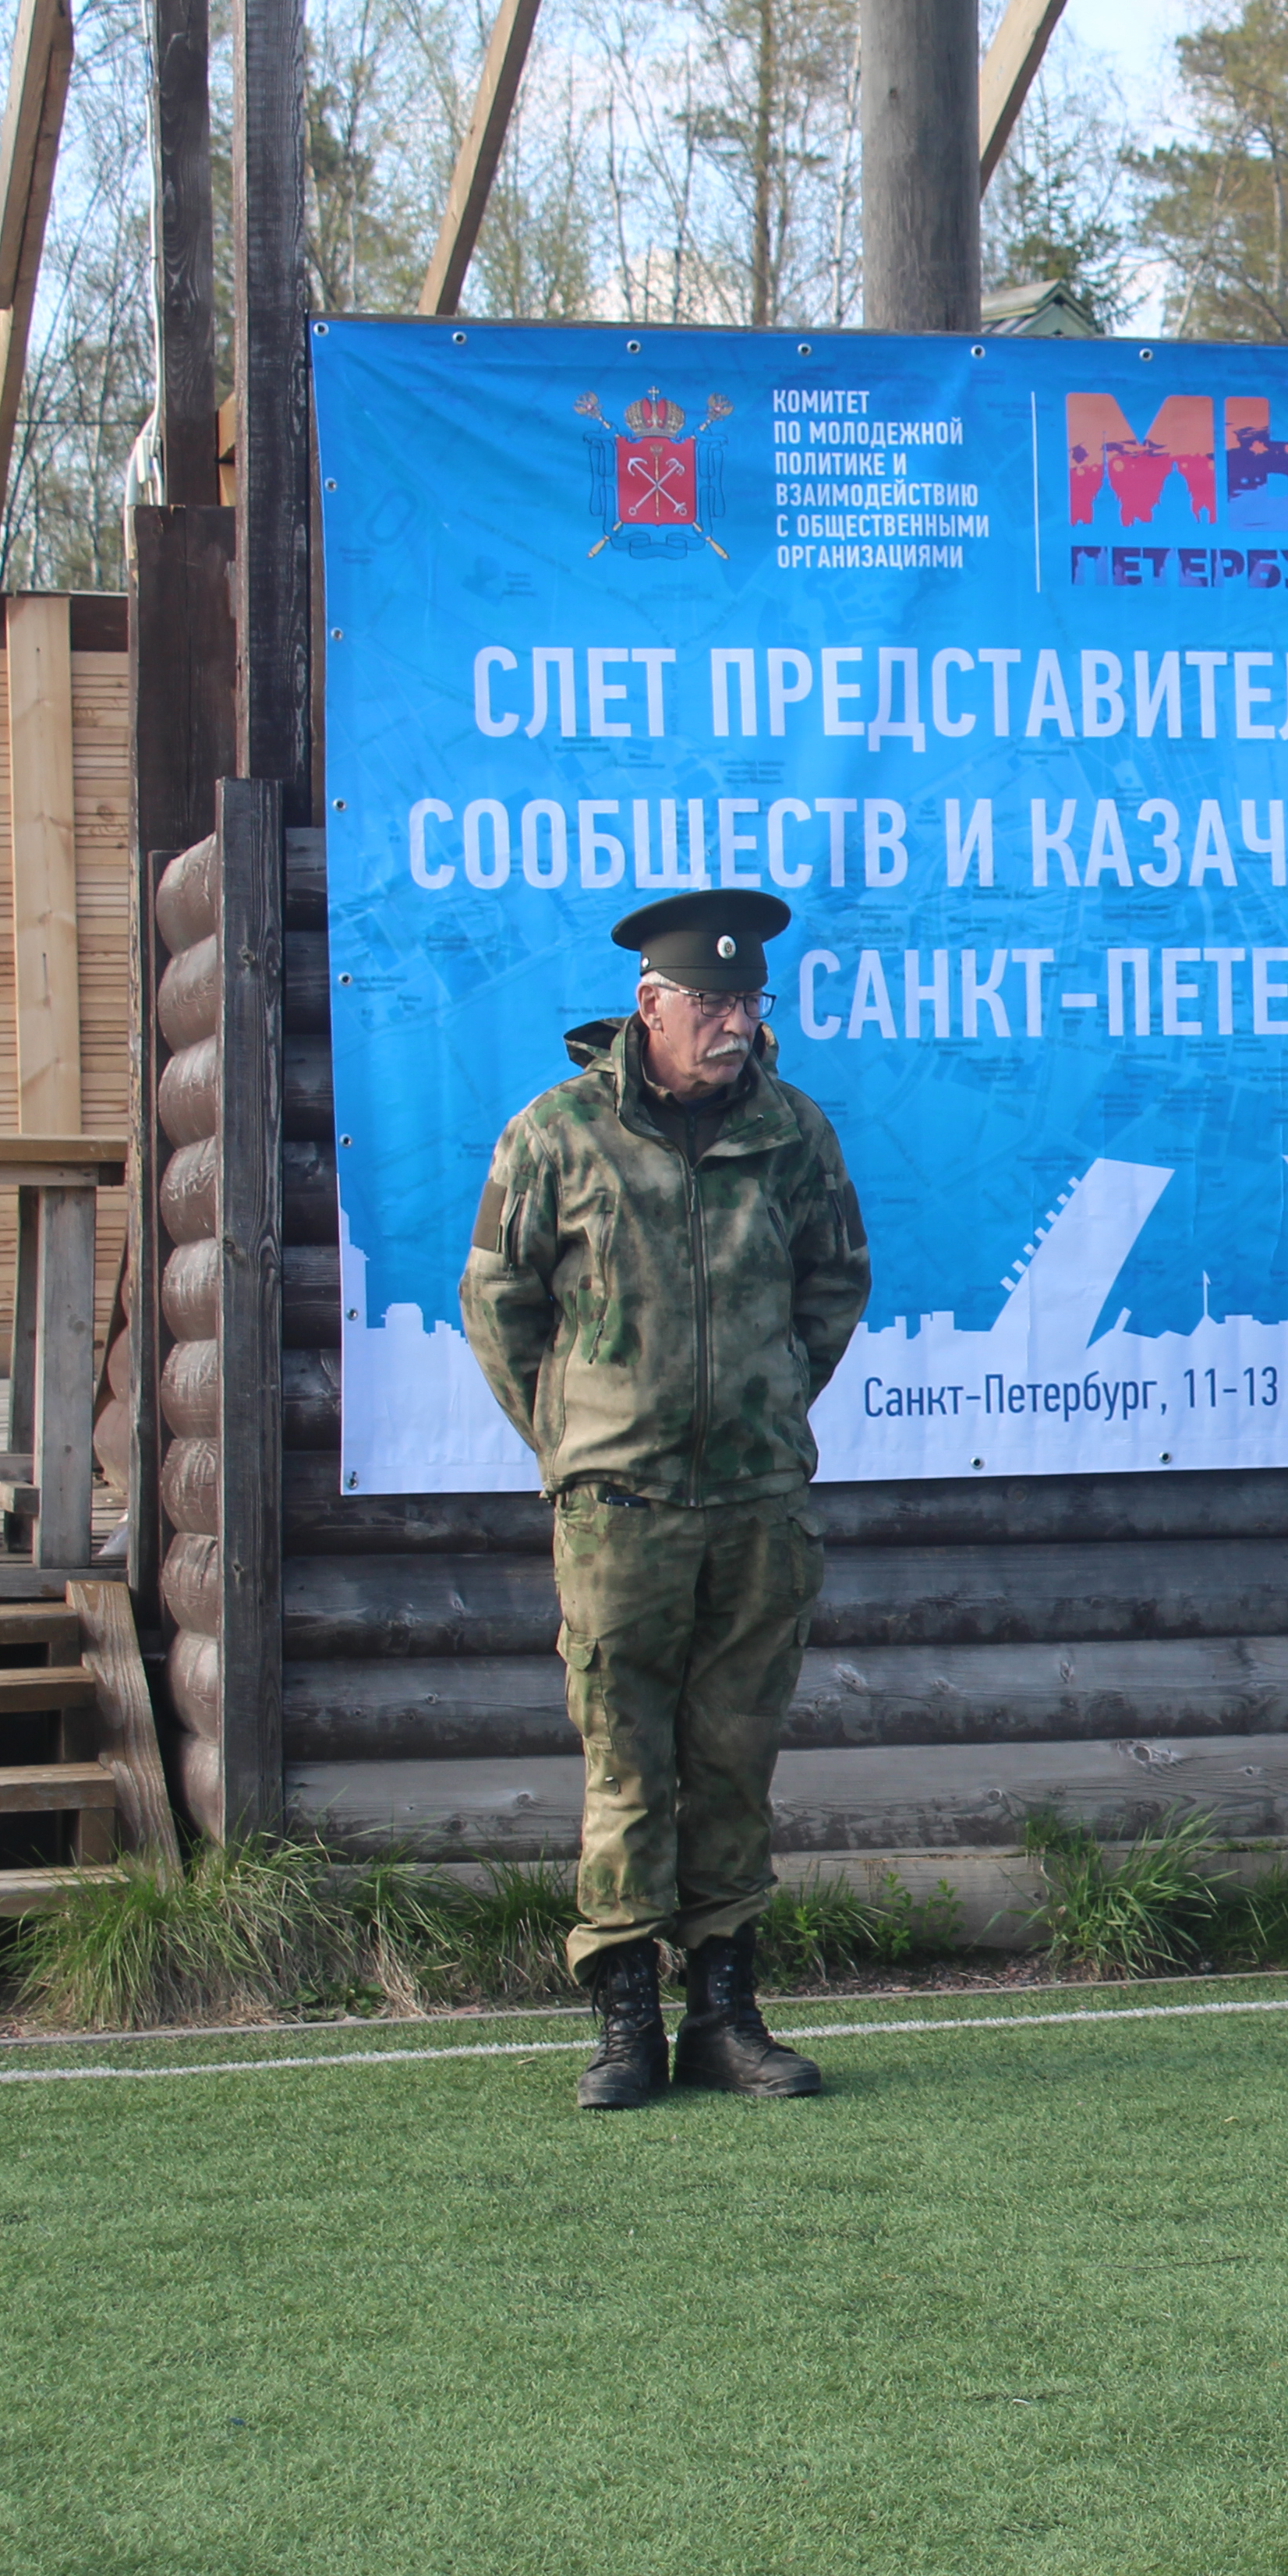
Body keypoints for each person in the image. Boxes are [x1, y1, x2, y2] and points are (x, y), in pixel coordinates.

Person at [463, 889, 872, 2111]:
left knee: (734, 1760)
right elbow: (499, 1303)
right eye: (712, 1003)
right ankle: (626, 2020)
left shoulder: (795, 1136)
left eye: (750, 1002)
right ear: (651, 1007)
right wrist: (578, 1440)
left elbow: (833, 1289)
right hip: (619, 1514)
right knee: (626, 1763)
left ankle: (727, 2017)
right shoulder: (556, 1136)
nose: (736, 1024)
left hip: (755, 1506)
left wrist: (767, 1405)